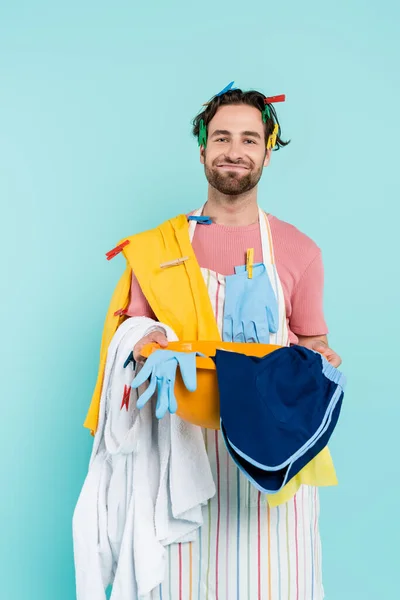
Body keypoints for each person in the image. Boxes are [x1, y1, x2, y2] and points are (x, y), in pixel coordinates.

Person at [84, 86, 342, 599]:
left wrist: (321, 358)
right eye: (221, 137)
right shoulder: (160, 247)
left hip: (271, 459)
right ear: (202, 148)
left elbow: (314, 340)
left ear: (267, 152)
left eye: (249, 139)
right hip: (180, 454)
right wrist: (149, 338)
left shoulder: (298, 251)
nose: (234, 150)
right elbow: (131, 331)